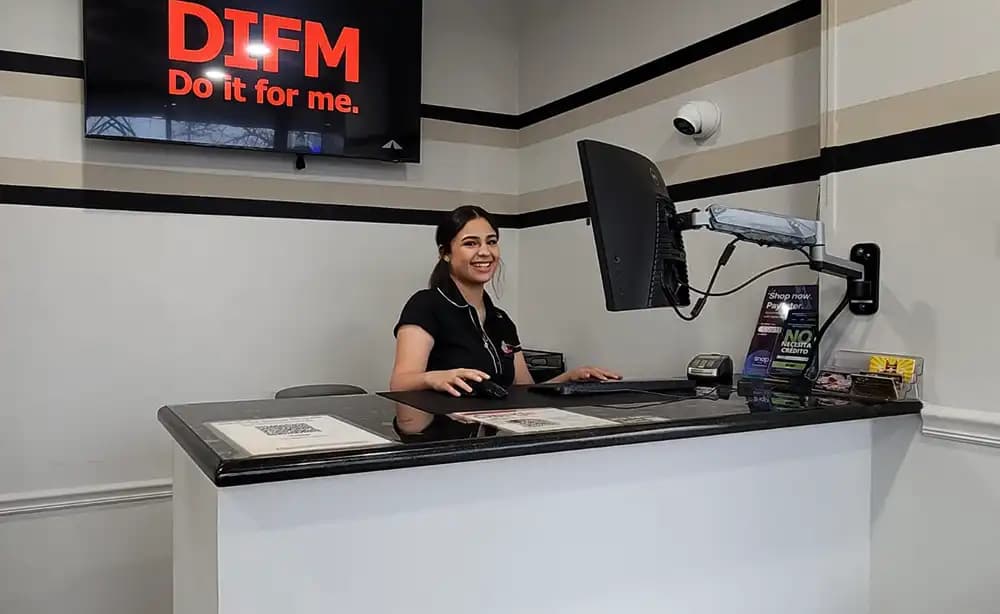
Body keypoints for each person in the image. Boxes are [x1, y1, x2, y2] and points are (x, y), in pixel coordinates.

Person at [390, 205, 621, 434]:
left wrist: (569, 379)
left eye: (491, 241)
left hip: (493, 439)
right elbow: (400, 383)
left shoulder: (501, 320)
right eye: (470, 243)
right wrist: (437, 378)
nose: (484, 252)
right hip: (440, 440)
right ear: (446, 253)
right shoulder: (426, 305)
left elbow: (523, 388)